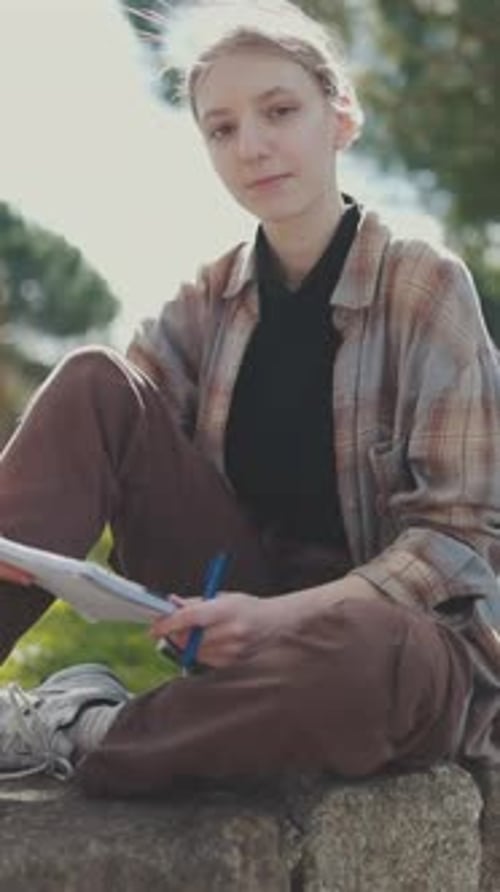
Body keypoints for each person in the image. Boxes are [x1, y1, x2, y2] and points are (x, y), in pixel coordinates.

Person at [0, 0, 500, 798]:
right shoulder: (204, 300)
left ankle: (86, 729)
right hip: (237, 611)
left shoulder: (426, 287)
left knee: (356, 658)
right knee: (93, 378)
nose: (253, 147)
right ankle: (168, 715)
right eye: (222, 129)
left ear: (341, 118)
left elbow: (453, 542)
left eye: (279, 111)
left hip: (392, 644)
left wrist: (281, 621)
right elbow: (114, 456)